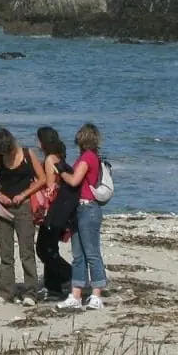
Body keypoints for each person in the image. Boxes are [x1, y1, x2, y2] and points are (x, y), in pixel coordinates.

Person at [57, 123, 109, 311]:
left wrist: (60, 171)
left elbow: (74, 180)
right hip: (80, 209)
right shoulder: (90, 156)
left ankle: (96, 294)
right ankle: (76, 293)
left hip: (88, 208)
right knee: (78, 254)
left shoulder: (88, 157)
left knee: (91, 252)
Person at [0, 127, 42, 305]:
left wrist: (25, 194)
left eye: (10, 150)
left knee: (26, 251)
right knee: (6, 253)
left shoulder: (28, 154)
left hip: (24, 207)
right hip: (3, 208)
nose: (8, 154)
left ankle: (30, 292)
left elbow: (42, 179)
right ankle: (5, 292)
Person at [34, 128, 75, 304]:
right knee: (50, 248)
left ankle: (70, 274)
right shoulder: (59, 157)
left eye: (38, 140)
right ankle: (54, 286)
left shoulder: (50, 159)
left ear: (43, 142)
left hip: (53, 210)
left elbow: (50, 187)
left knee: (43, 248)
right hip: (61, 209)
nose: (36, 143)